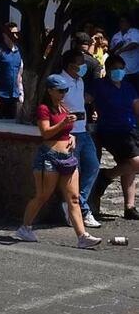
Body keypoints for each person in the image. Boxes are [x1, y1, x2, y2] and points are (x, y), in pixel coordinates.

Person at [14, 75, 101, 248]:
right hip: (49, 156)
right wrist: (63, 125)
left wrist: (71, 136)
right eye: (60, 91)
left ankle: (82, 236)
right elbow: (45, 133)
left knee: (74, 198)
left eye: (65, 90)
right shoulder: (44, 109)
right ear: (50, 91)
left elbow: (65, 132)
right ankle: (25, 227)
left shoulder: (63, 107)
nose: (63, 94)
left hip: (67, 157)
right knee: (43, 195)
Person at [87, 54, 139, 219]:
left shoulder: (128, 87)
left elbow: (136, 108)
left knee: (128, 164)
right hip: (111, 130)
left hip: (131, 130)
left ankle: (129, 206)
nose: (118, 71)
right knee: (135, 162)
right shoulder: (99, 86)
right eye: (114, 68)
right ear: (107, 70)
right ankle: (106, 176)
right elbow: (85, 100)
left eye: (121, 68)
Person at [57, 49, 102, 228]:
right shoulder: (60, 82)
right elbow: (56, 105)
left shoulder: (80, 81)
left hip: (83, 131)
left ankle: (74, 204)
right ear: (70, 65)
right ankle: (82, 209)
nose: (83, 65)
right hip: (70, 133)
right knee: (73, 172)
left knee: (93, 166)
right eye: (80, 62)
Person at [0, 22, 24, 120]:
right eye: (12, 33)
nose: (15, 36)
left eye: (17, 33)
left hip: (14, 95)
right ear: (4, 35)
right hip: (0, 94)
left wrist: (21, 92)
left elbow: (20, 73)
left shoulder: (19, 51)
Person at [111, 14, 139, 92]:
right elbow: (111, 51)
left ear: (129, 23)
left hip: (134, 70)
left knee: (135, 92)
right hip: (121, 71)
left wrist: (121, 50)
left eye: (124, 21)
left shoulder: (135, 32)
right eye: (120, 21)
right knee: (122, 92)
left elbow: (134, 44)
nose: (122, 23)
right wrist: (117, 47)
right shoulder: (116, 36)